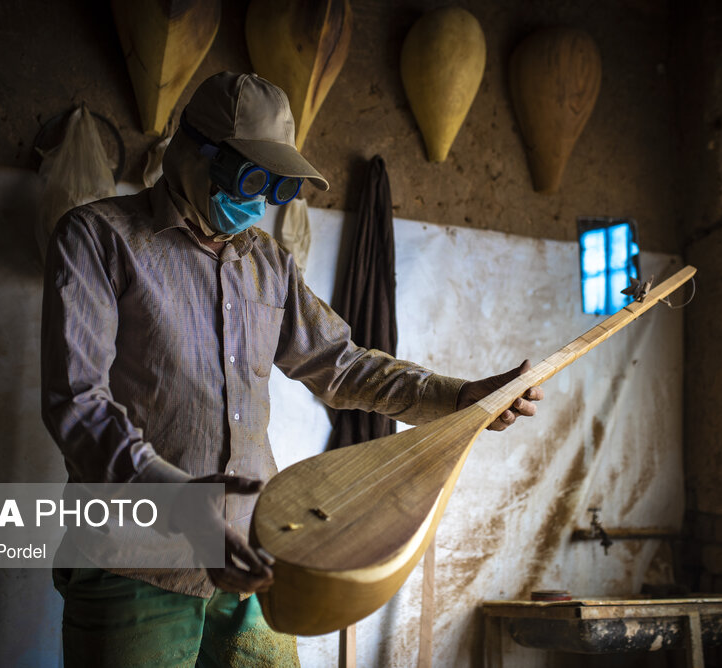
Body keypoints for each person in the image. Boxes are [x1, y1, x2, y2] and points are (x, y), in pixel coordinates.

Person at [40, 71, 542, 668]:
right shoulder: (97, 238)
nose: (258, 201)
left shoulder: (268, 264)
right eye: (250, 176)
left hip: (254, 559)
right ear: (191, 153)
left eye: (277, 187)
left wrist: (457, 397)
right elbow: (77, 402)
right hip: (133, 561)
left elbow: (342, 365)